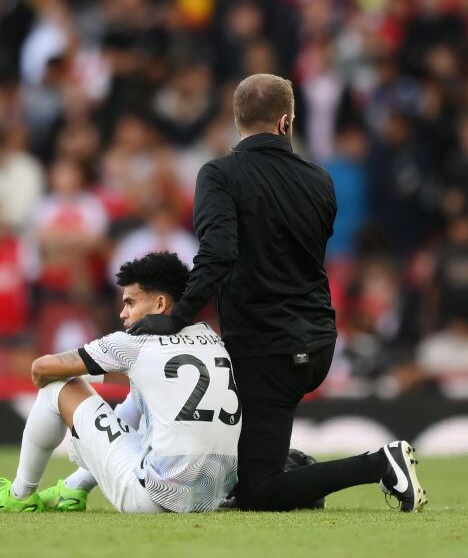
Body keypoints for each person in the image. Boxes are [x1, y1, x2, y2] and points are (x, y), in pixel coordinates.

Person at [131, 73, 425, 512]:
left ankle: (381, 464)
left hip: (265, 347)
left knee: (258, 492)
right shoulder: (319, 179)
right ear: (286, 122)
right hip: (318, 339)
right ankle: (297, 468)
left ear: (236, 120)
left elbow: (218, 255)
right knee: (247, 470)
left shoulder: (219, 175)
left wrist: (177, 318)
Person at [0, 252, 240, 514]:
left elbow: (42, 368)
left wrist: (79, 375)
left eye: (130, 303)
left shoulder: (135, 343)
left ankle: (20, 494)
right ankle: (73, 487)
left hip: (154, 498)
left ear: (160, 304)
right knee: (140, 394)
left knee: (56, 387)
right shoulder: (211, 337)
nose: (123, 313)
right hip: (210, 498)